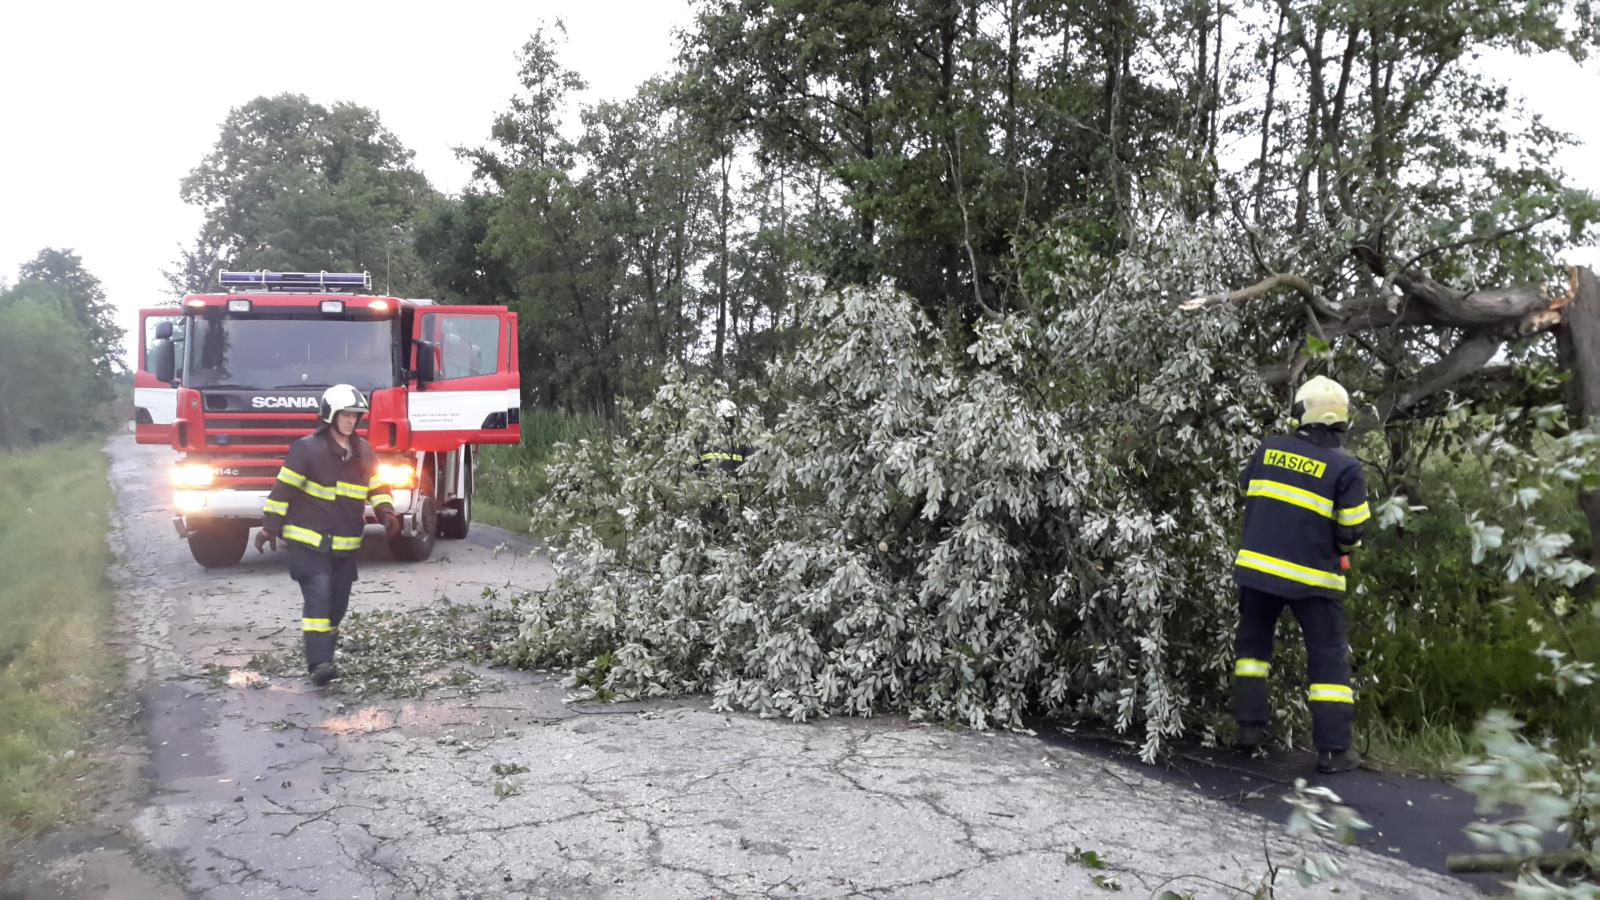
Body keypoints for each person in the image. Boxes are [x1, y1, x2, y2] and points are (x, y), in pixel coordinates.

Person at [1232, 375, 1370, 774]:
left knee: (1252, 653)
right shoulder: (1347, 468)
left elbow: (1249, 492)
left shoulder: (1269, 449)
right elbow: (1351, 531)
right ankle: (1334, 751)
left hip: (1257, 572)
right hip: (1315, 581)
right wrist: (1344, 550)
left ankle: (1248, 730)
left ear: (1303, 412)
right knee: (1327, 663)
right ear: (1339, 419)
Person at [255, 385, 401, 686]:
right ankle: (319, 663)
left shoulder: (363, 452)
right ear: (330, 416)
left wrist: (386, 513)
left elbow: (378, 488)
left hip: (345, 545)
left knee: (337, 604)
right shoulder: (306, 450)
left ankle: (326, 654)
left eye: (356, 416)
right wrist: (269, 526)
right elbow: (283, 491)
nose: (351, 421)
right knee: (319, 596)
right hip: (308, 541)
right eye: (346, 415)